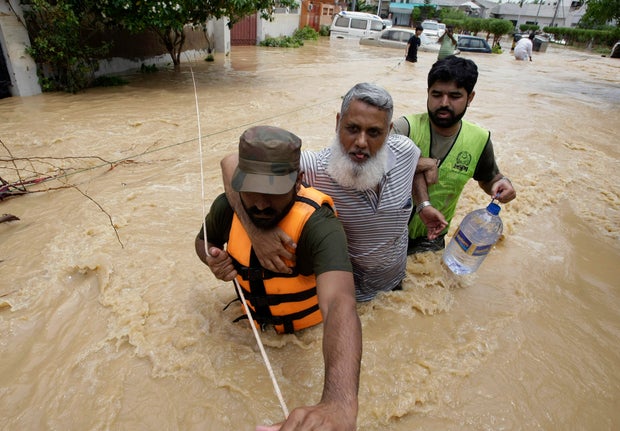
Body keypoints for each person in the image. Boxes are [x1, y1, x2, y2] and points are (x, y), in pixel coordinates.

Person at [195, 125, 362, 431]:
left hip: (305, 336)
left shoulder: (318, 225)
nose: (259, 204)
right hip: (247, 327)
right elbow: (203, 241)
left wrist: (339, 402)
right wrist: (212, 258)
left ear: (298, 182)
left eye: (272, 193)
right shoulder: (227, 206)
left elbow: (340, 302)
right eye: (250, 189)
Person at [221, 83, 444, 301]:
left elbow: (415, 168)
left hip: (394, 287)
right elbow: (230, 163)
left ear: (389, 132)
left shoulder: (406, 151)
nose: (361, 142)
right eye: (352, 128)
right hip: (343, 297)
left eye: (374, 132)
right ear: (338, 123)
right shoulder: (315, 168)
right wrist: (257, 234)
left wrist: (423, 204)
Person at [391, 56, 517, 254]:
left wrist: (501, 185)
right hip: (386, 234)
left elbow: (489, 178)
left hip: (431, 238)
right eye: (436, 94)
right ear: (427, 93)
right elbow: (374, 165)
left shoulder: (479, 139)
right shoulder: (405, 128)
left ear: (470, 97)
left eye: (454, 96)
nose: (444, 103)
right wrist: (425, 164)